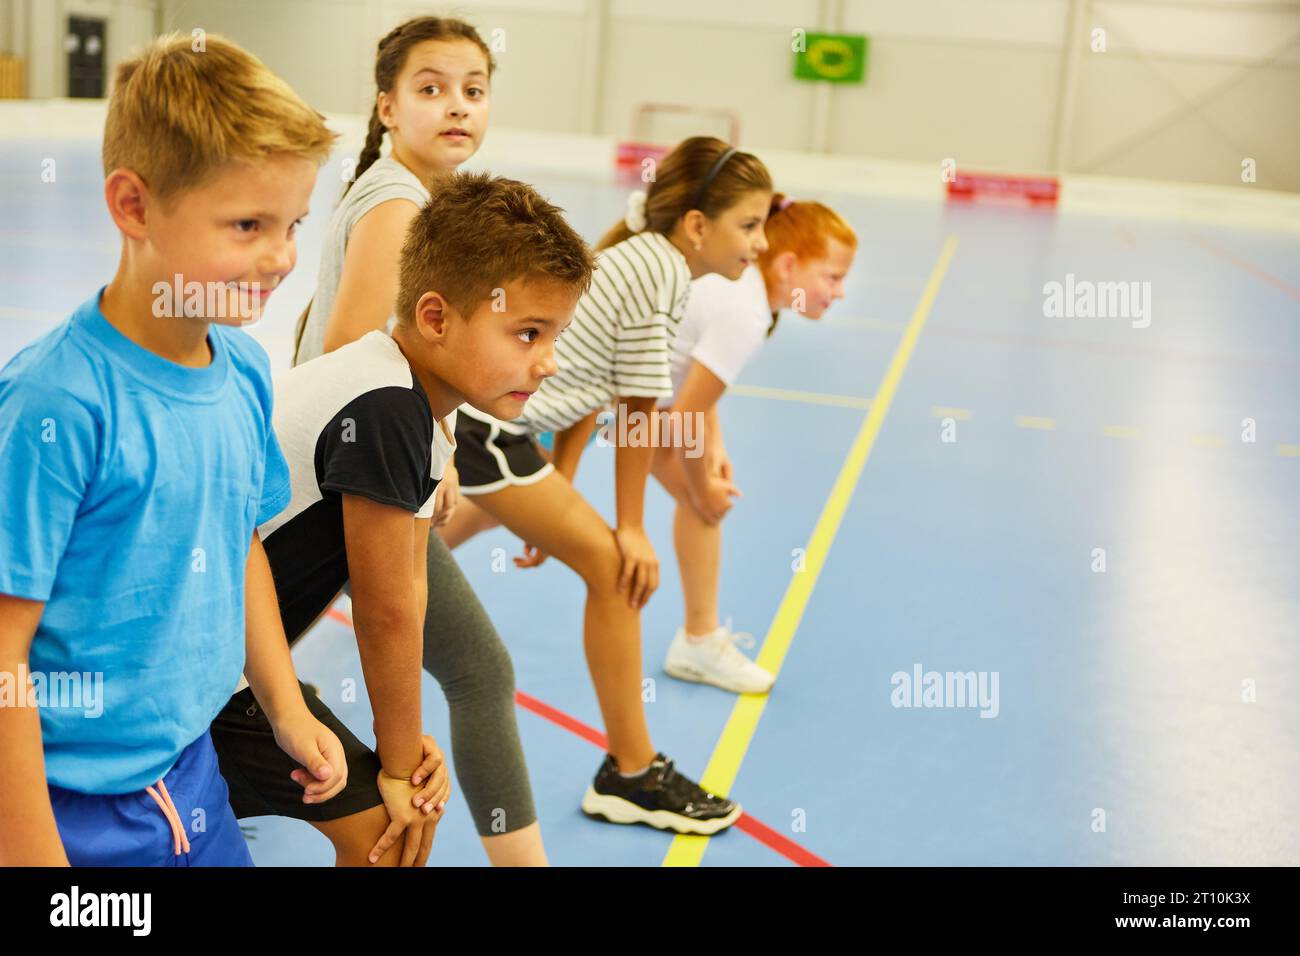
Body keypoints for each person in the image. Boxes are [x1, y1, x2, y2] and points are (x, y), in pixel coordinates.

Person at [0, 33, 347, 866]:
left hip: (190, 777)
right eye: (248, 225)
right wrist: (32, 851)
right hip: (66, 807)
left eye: (294, 223)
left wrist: (283, 705)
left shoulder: (244, 372)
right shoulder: (58, 402)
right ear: (133, 206)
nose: (282, 257)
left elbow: (241, 543)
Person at [438, 137, 773, 833]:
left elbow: (588, 378)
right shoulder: (661, 273)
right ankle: (631, 772)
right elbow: (638, 408)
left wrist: (558, 481)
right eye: (749, 224)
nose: (761, 244)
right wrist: (632, 528)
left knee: (416, 549)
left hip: (499, 434)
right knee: (617, 570)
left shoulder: (645, 258)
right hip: (484, 432)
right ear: (697, 226)